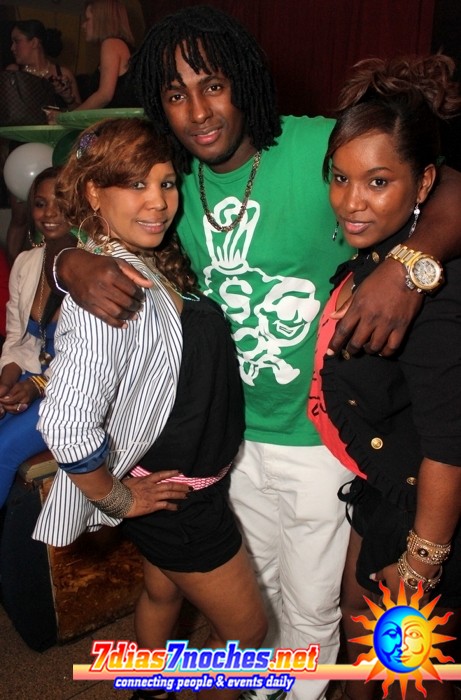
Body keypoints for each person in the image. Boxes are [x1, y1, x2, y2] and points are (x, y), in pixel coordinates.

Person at [51, 8, 461, 700]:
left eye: (212, 85)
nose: (197, 112)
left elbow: (441, 181)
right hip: (227, 440)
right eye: (175, 94)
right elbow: (76, 203)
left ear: (243, 81)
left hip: (318, 435)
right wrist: (70, 261)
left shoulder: (315, 145)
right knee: (250, 599)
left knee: (310, 610)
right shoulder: (165, 174)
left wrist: (408, 266)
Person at [32, 117, 267, 700]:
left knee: (163, 593)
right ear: (94, 192)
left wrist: (68, 260)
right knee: (248, 634)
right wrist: (116, 498)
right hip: (179, 502)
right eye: (136, 185)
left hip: (175, 487)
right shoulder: (109, 289)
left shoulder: (128, 259)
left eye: (165, 183)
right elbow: (64, 422)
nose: (159, 202)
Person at [309, 54, 461, 700]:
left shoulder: (429, 294)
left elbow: (448, 447)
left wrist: (420, 563)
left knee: (409, 669)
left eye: (377, 182)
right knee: (357, 625)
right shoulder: (381, 259)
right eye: (340, 178)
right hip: (384, 493)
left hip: (424, 511)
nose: (350, 202)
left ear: (423, 184)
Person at [0, 166, 76, 509]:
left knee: (4, 448)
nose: (49, 213)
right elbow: (17, 338)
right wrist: (5, 384)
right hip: (32, 375)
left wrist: (36, 387)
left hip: (75, 391)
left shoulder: (95, 268)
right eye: (41, 204)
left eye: (61, 202)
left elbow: (92, 359)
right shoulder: (26, 263)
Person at [4, 20, 81, 264]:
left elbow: (79, 114)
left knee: (56, 214)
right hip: (23, 154)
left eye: (17, 41)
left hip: (56, 153)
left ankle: (51, 267)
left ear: (34, 42)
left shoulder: (62, 73)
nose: (12, 47)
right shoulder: (13, 74)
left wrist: (67, 97)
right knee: (20, 216)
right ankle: (13, 271)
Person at [75, 0, 140, 110]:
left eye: (88, 19)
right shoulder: (120, 45)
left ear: (101, 20)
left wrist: (69, 117)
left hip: (120, 120)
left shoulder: (111, 44)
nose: (83, 25)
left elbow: (104, 96)